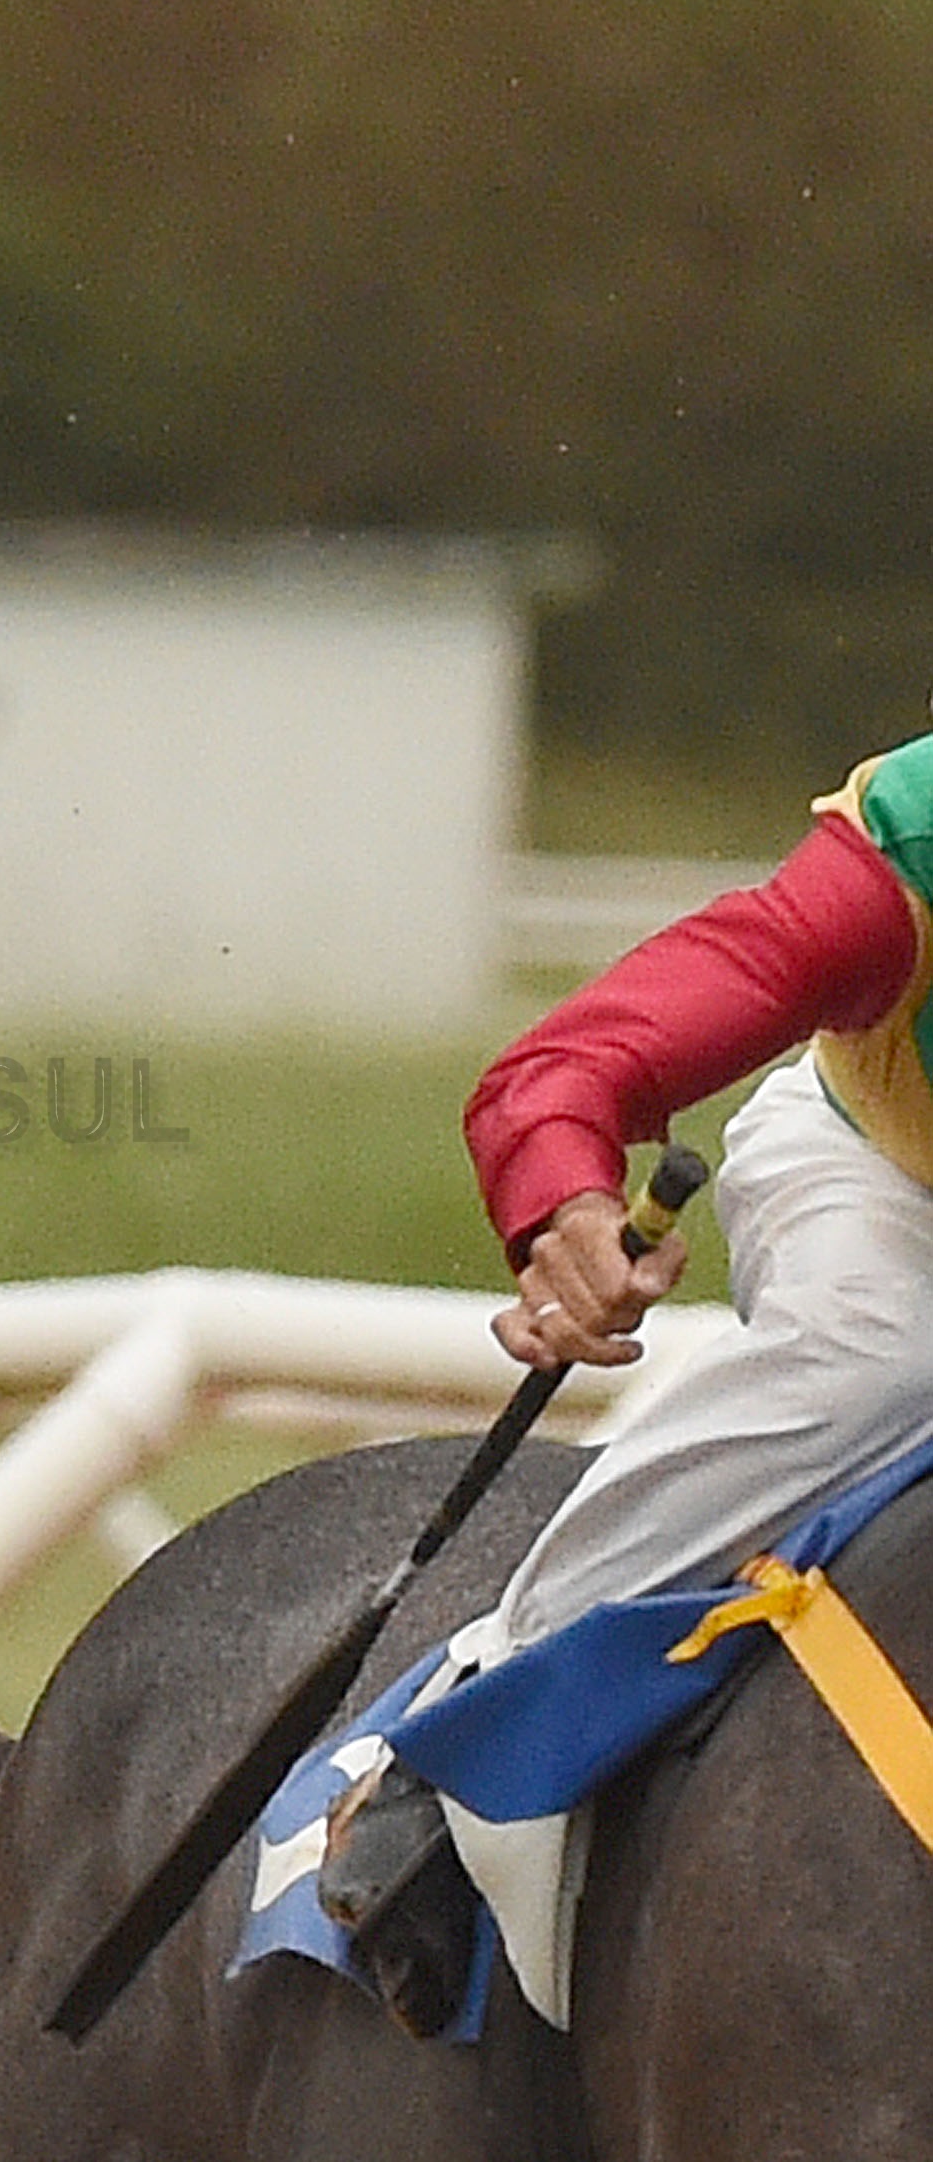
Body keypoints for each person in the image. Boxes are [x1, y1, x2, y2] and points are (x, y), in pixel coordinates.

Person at [322, 725, 933, 2031]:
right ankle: (470, 1735)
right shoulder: (907, 851)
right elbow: (567, 1067)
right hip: (887, 1185)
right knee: (883, 1356)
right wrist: (568, 1202)